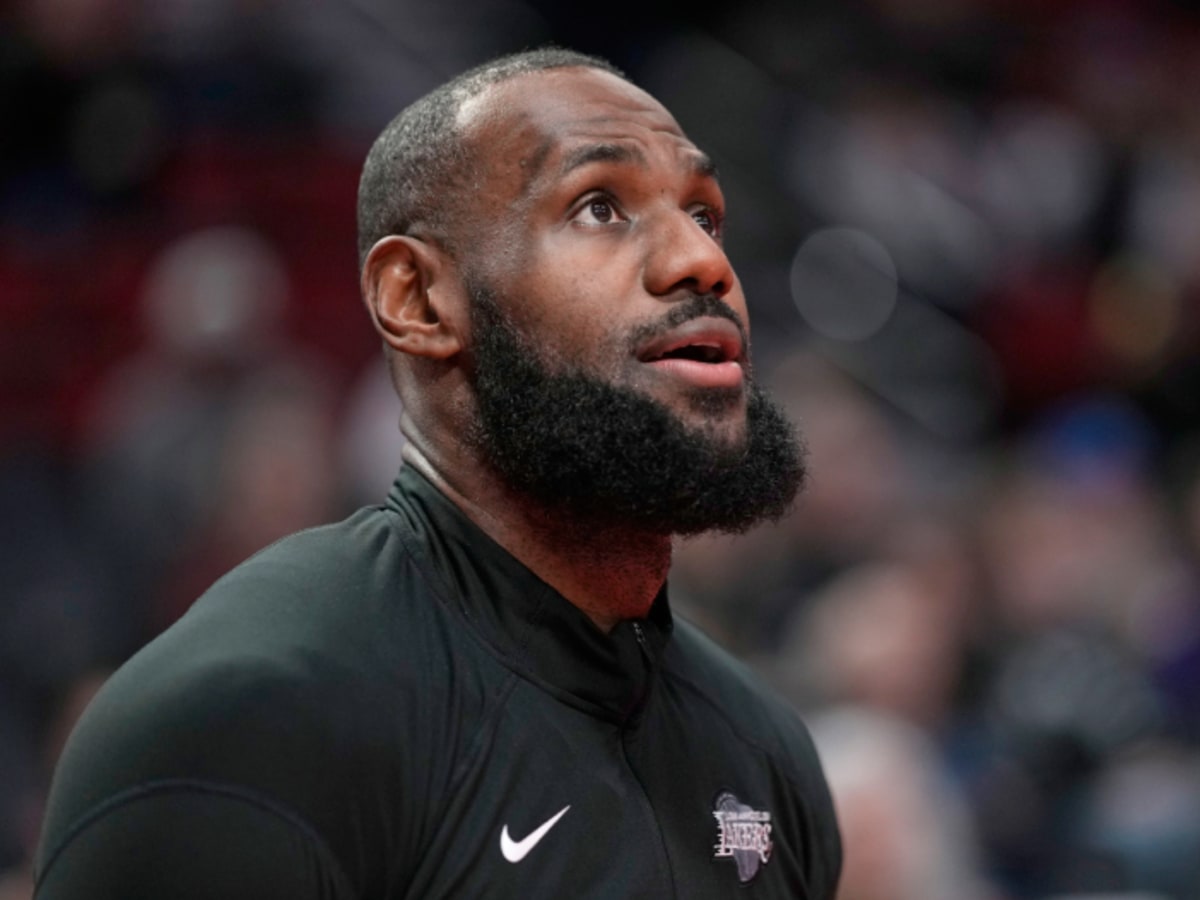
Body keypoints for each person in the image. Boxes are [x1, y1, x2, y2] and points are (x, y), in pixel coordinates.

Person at [34, 47, 842, 898]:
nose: (703, 261)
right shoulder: (252, 717)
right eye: (599, 206)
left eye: (705, 214)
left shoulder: (766, 754)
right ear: (416, 299)